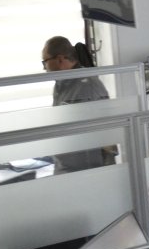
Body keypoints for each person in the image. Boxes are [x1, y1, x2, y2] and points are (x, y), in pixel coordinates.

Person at [40, 36, 113, 173]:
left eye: (45, 62)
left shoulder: (88, 86)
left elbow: (105, 136)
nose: (44, 68)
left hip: (85, 172)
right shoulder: (61, 85)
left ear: (60, 59)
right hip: (64, 168)